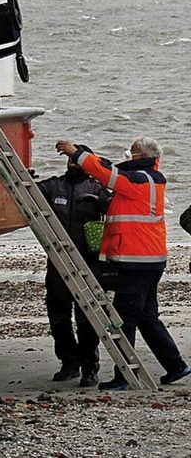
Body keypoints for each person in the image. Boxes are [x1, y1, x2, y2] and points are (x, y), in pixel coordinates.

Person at [56, 136, 191, 391]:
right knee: (147, 318)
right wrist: (83, 153)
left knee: (124, 320)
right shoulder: (147, 179)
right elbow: (109, 168)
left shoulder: (140, 180)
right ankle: (175, 366)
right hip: (148, 259)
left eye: (132, 152)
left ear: (142, 156)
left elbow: (106, 173)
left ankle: (124, 376)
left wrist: (76, 154)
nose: (127, 155)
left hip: (137, 260)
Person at [37, 144, 109, 387]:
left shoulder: (97, 188)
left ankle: (90, 366)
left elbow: (114, 209)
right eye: (70, 160)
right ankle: (69, 362)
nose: (73, 164)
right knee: (58, 315)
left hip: (88, 261)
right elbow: (29, 194)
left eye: (77, 160)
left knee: (87, 317)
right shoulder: (54, 186)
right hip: (57, 261)